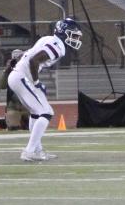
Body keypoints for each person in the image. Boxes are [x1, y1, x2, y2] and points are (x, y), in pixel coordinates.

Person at [7, 17, 82, 162]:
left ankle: (37, 150)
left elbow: (27, 55)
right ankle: (29, 151)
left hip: (18, 76)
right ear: (64, 33)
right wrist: (36, 82)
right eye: (73, 35)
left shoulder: (48, 39)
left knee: (36, 113)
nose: (75, 39)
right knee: (46, 112)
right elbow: (33, 60)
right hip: (22, 77)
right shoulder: (58, 46)